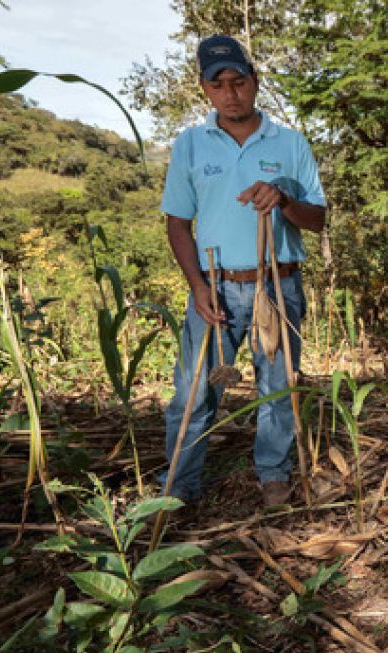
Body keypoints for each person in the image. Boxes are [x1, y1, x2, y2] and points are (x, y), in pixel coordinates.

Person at [160, 34, 326, 507]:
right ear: (204, 89)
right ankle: (179, 488)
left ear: (255, 82)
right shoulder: (190, 145)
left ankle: (274, 475)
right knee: (192, 396)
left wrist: (284, 200)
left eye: (239, 81)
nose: (230, 92)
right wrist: (196, 286)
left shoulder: (291, 143)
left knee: (277, 388)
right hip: (214, 287)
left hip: (277, 286)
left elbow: (318, 221)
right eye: (219, 85)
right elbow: (177, 224)